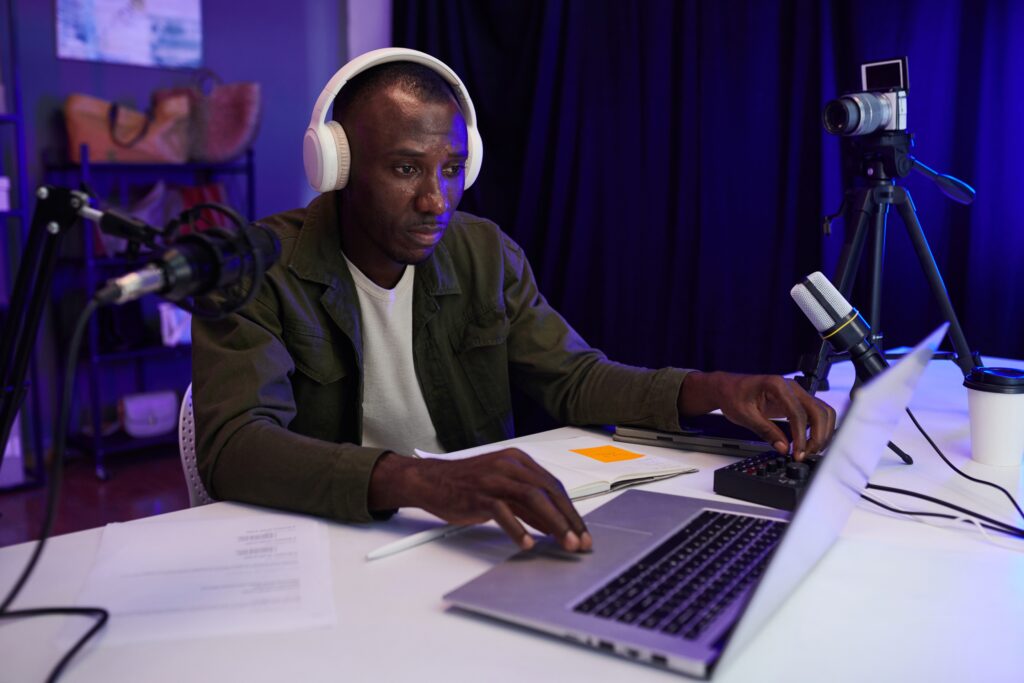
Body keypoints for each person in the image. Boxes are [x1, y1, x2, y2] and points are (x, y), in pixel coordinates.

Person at [192, 49, 835, 556]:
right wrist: (423, 481)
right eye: (406, 168)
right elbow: (235, 449)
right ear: (336, 166)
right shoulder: (252, 269)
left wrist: (716, 389)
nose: (436, 201)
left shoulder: (485, 253)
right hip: (334, 542)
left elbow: (575, 379)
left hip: (469, 534)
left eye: (451, 169)